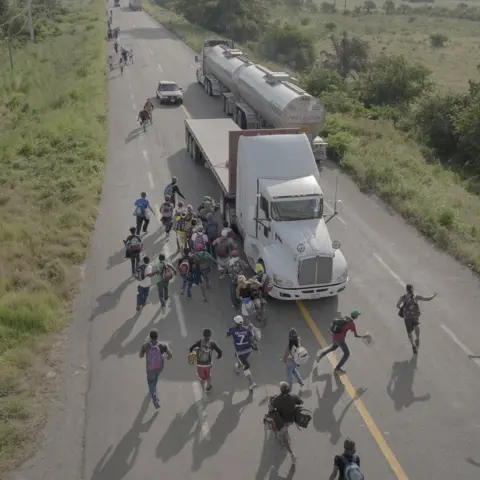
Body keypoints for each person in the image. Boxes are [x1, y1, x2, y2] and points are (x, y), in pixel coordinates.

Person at [396, 284, 437, 355]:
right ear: (412, 289)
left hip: (407, 317)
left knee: (409, 332)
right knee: (416, 325)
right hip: (415, 315)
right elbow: (427, 299)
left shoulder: (403, 297)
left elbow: (397, 305)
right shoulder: (416, 296)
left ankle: (413, 345)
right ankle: (417, 338)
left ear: (406, 290)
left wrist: (402, 308)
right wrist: (433, 295)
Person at [269, 382, 303, 464]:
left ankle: (292, 454)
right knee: (286, 428)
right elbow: (301, 402)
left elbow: (271, 408)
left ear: (280, 390)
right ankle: (284, 433)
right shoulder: (293, 396)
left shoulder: (277, 399)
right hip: (291, 420)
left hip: (283, 421)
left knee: (283, 436)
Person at [139, 329, 172, 409]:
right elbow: (170, 355)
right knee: (156, 377)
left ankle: (155, 399)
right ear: (157, 336)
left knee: (151, 382)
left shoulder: (145, 345)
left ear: (150, 337)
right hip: (159, 367)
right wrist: (165, 357)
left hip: (150, 368)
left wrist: (145, 353)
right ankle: (153, 388)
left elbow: (140, 355)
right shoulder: (163, 345)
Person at [227, 316, 257, 391]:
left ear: (235, 323)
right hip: (249, 350)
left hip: (240, 352)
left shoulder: (232, 330)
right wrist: (250, 328)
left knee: (245, 367)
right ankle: (237, 367)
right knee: (240, 359)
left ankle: (251, 382)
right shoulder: (247, 329)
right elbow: (252, 338)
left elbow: (227, 335)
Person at [189, 328, 222, 393]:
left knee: (202, 378)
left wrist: (192, 355)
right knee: (208, 376)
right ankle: (208, 387)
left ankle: (202, 389)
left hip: (199, 364)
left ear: (203, 335)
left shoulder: (200, 342)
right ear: (210, 335)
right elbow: (219, 351)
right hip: (208, 364)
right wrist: (218, 356)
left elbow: (191, 348)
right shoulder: (212, 343)